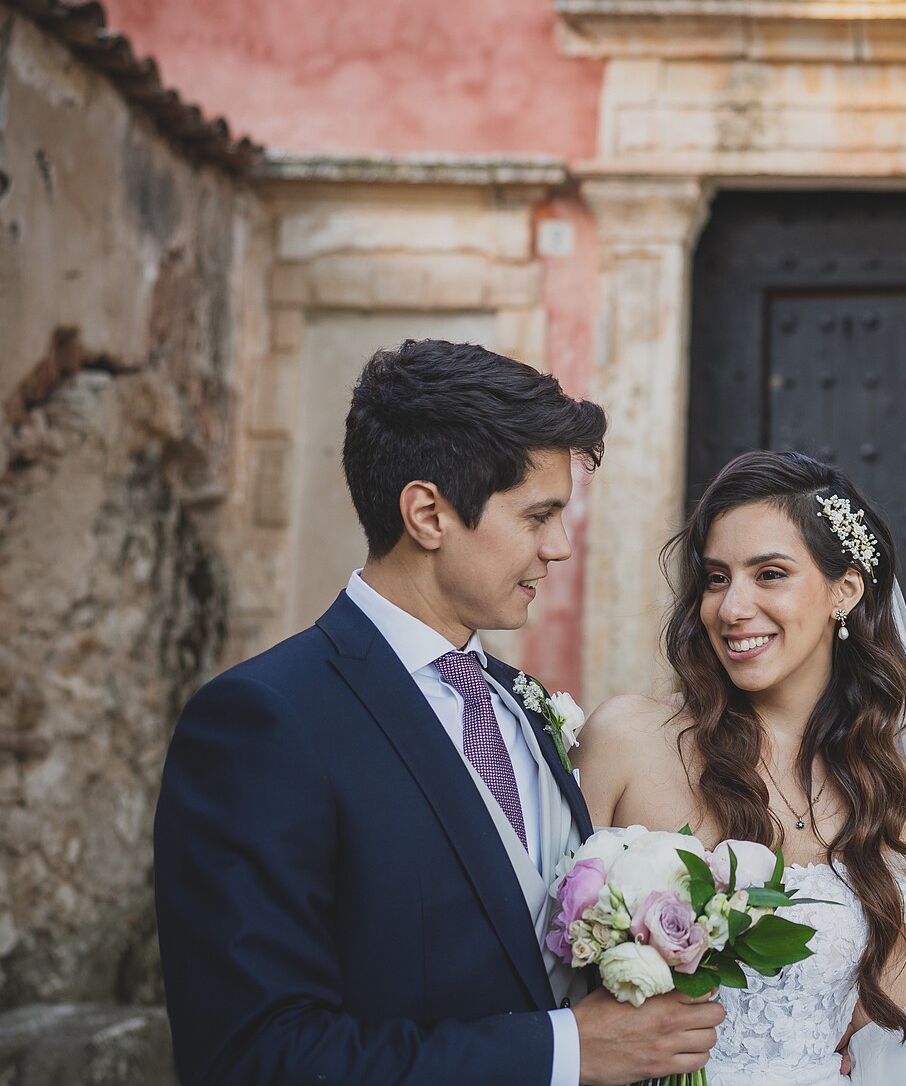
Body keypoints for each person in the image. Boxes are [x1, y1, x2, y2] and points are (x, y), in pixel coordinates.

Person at [153, 339, 723, 1086]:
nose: (559, 548)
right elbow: (255, 1056)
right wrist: (563, 1053)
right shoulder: (264, 723)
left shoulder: (522, 704)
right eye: (538, 516)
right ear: (427, 513)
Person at [579, 449, 906, 1086]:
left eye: (769, 573)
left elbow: (884, 1032)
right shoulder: (630, 740)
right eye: (717, 578)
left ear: (845, 590)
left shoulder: (900, 801)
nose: (732, 607)